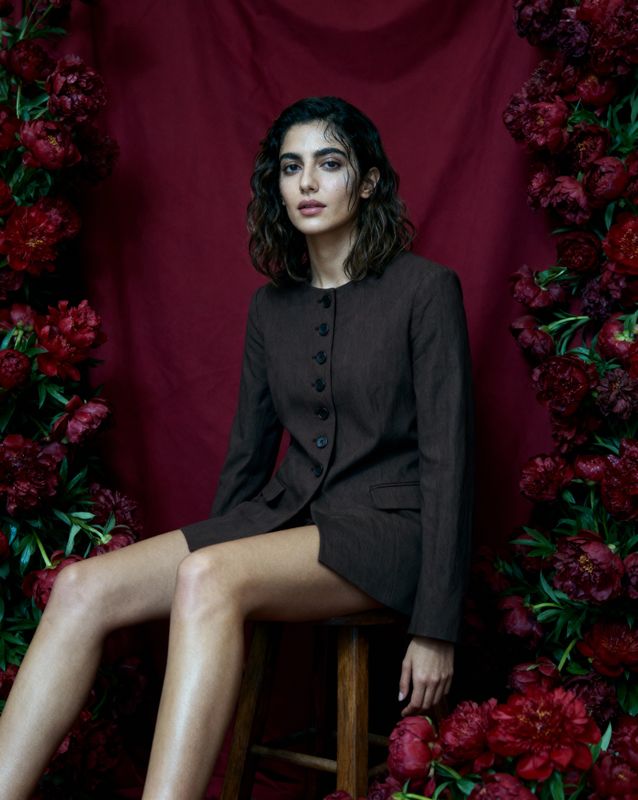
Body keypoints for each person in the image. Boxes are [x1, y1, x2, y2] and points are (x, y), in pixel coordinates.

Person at [0, 96, 474, 800]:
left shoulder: (425, 290)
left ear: (367, 181)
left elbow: (449, 463)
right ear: (276, 187)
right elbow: (248, 459)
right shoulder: (270, 306)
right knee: (80, 586)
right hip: (288, 522)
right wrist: (207, 553)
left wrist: (437, 626)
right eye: (291, 167)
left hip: (391, 532)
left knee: (210, 578)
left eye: (329, 163)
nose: (307, 182)